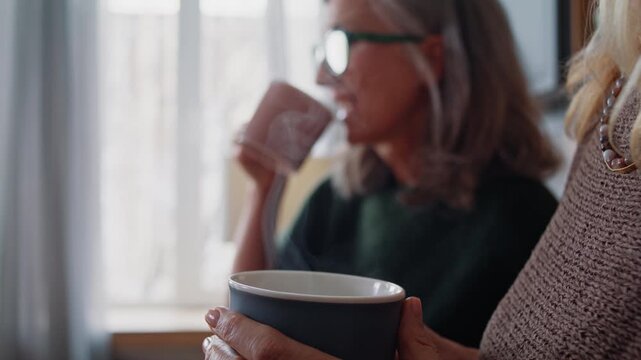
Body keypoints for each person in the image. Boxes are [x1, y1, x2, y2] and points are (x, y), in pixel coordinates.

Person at [203, 0, 641, 358]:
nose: (322, 76)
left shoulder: (519, 221)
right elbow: (250, 317)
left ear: (430, 58)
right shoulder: (339, 200)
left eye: (341, 44)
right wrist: (264, 187)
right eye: (321, 52)